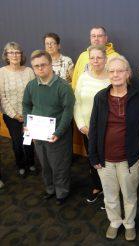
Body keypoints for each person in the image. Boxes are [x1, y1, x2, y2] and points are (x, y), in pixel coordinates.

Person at [89, 56, 139, 241]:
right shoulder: (100, 97)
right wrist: (93, 157)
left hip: (129, 158)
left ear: (128, 73)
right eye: (112, 71)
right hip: (105, 159)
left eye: (120, 70)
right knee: (110, 195)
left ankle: (129, 223)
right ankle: (114, 221)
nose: (116, 74)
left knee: (130, 195)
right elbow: (93, 128)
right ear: (108, 74)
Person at [23, 50, 75, 205]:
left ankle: (62, 192)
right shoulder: (31, 85)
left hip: (57, 135)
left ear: (50, 64)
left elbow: (68, 111)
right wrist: (26, 124)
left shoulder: (63, 87)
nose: (40, 69)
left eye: (43, 65)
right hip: (38, 133)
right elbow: (26, 105)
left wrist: (59, 132)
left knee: (59, 166)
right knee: (45, 165)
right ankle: (50, 189)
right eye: (36, 66)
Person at [74, 45, 110, 205]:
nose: (95, 61)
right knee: (93, 159)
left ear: (105, 59)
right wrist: (82, 126)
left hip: (107, 130)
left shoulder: (112, 78)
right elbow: (77, 103)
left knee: (108, 161)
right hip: (87, 129)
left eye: (99, 57)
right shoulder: (83, 77)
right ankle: (96, 187)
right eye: (92, 58)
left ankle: (109, 192)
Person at [0, 42, 36, 178]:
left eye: (17, 52)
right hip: (11, 116)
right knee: (17, 142)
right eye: (11, 52)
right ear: (6, 56)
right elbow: (2, 97)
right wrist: (15, 115)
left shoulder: (29, 71)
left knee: (28, 141)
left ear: (21, 55)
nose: (14, 55)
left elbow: (34, 93)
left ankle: (31, 162)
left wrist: (27, 114)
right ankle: (21, 165)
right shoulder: (1, 73)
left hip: (28, 114)